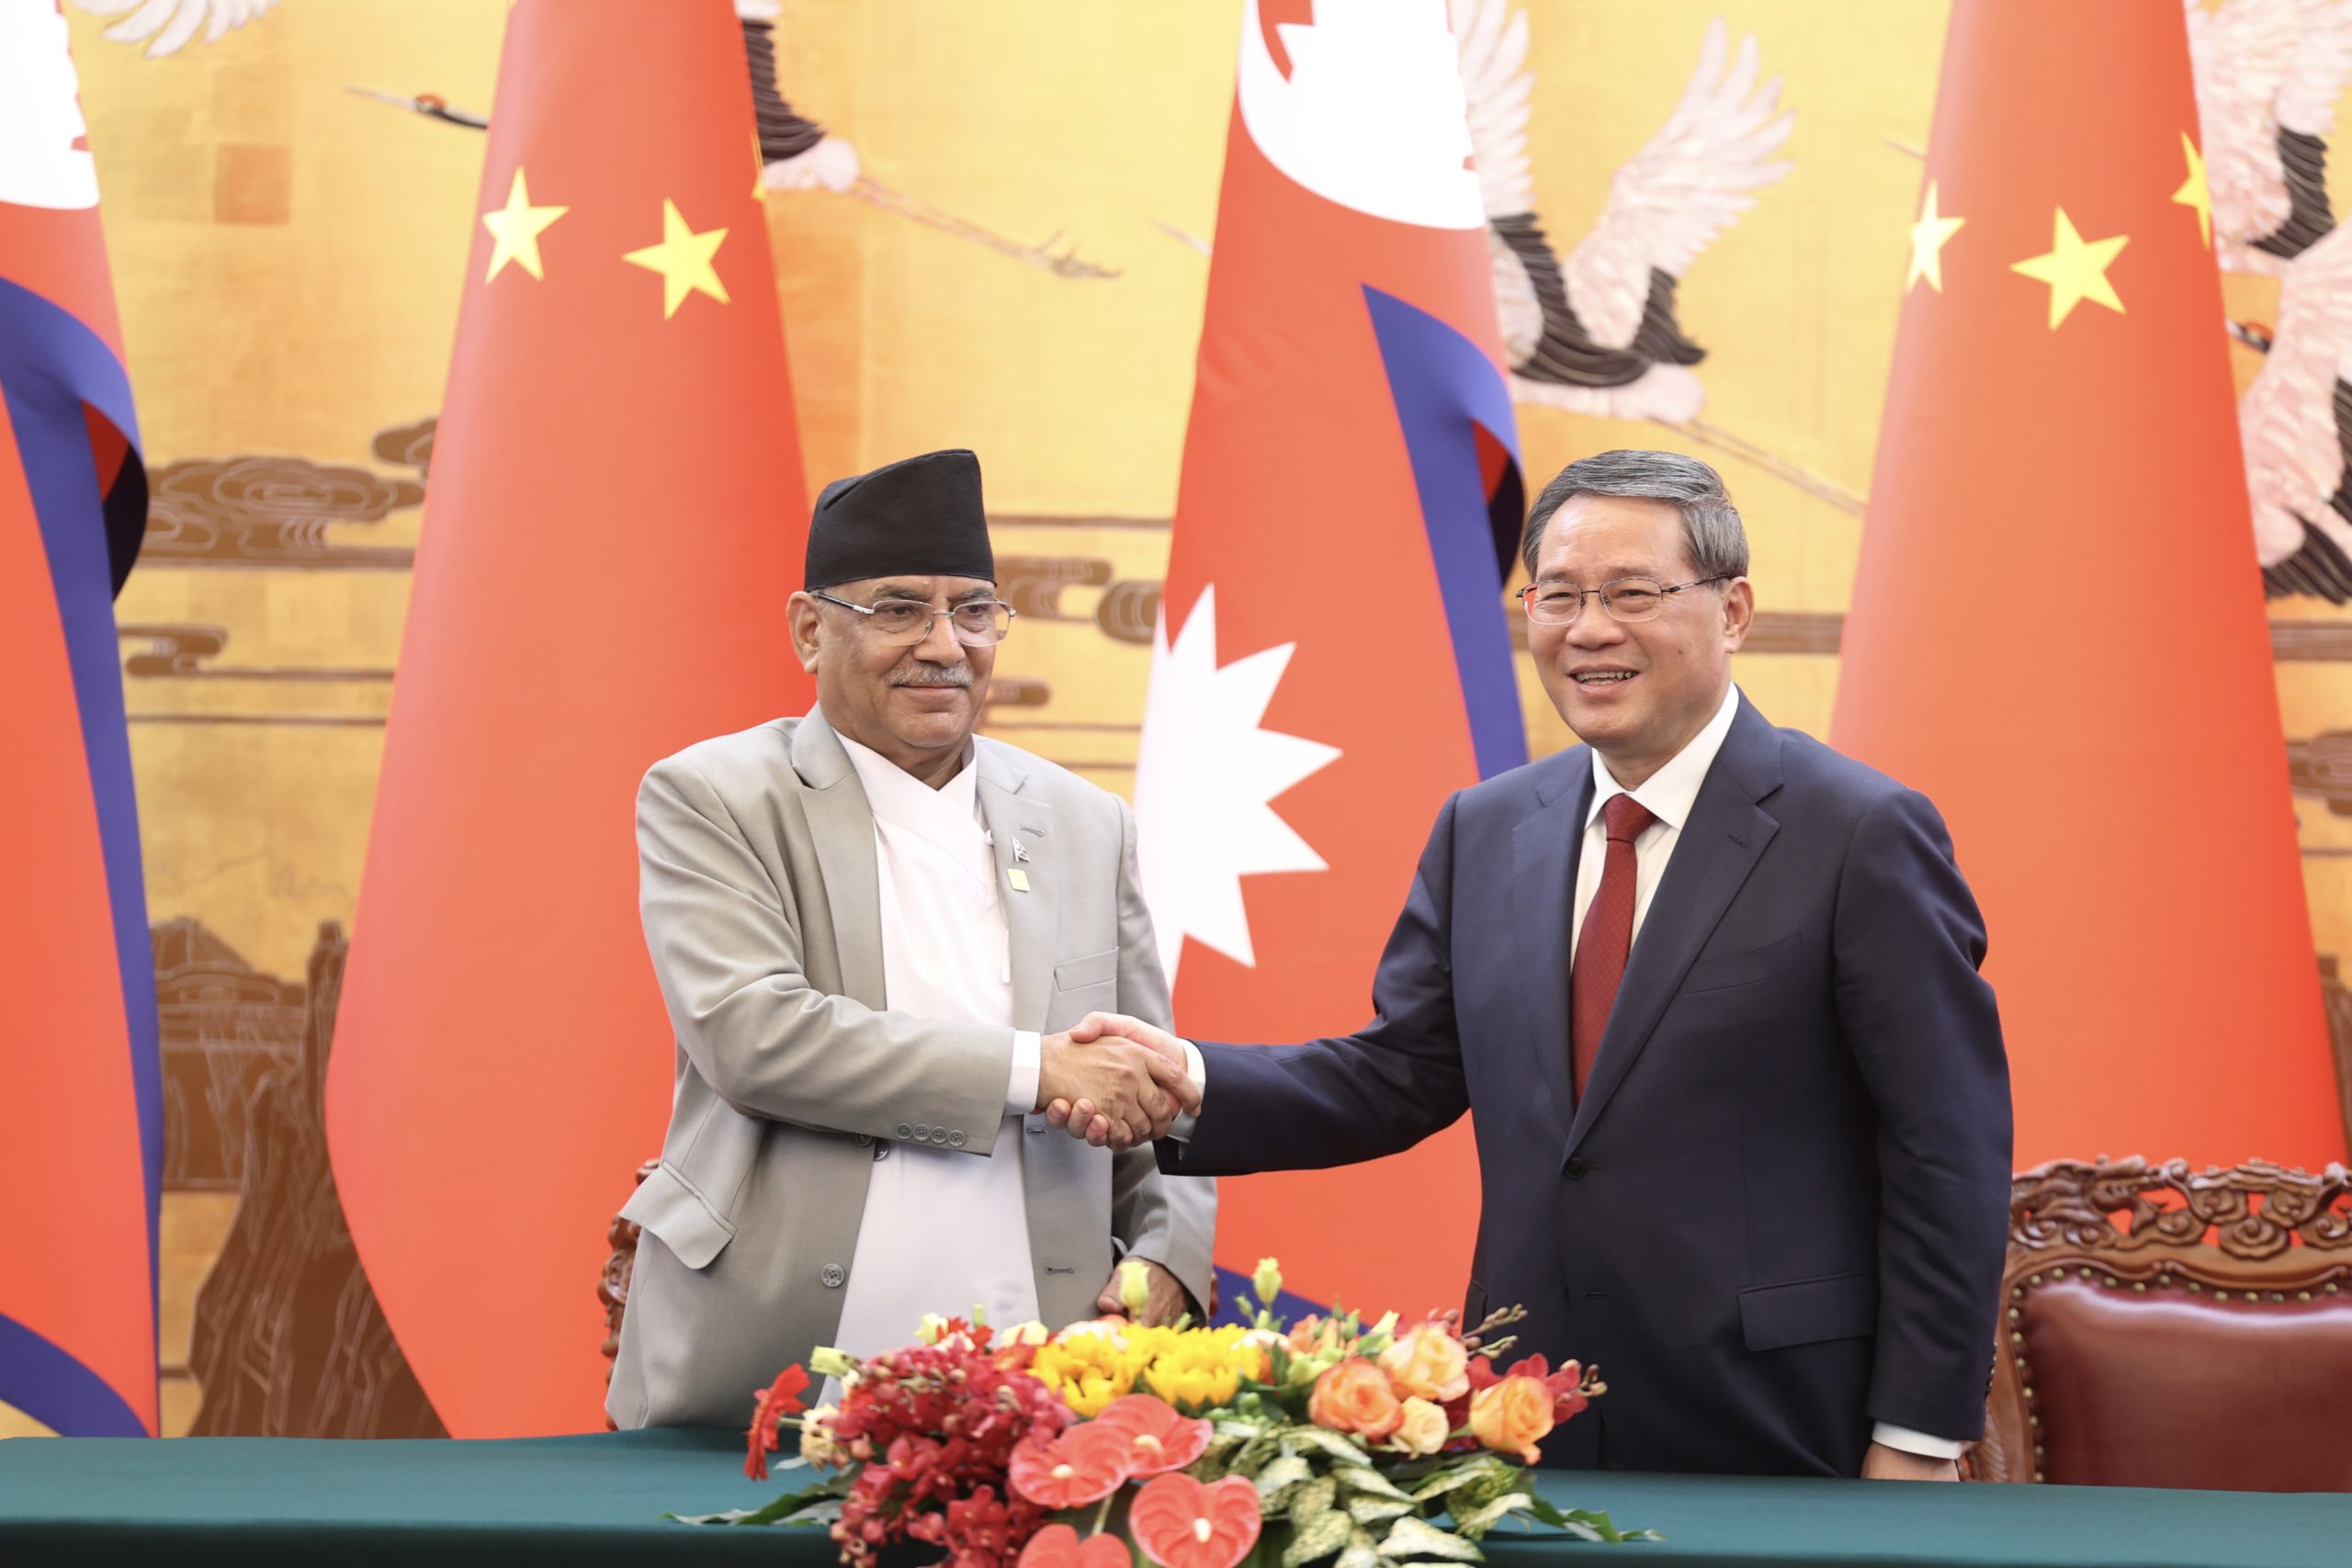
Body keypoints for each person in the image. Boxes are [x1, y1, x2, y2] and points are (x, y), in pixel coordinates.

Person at [1062, 450, 2011, 1478]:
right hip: (1519, 1417)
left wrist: (1917, 1433)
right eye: (1555, 597)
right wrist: (1187, 1080)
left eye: (1631, 593)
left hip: (1783, 1423)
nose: (1587, 629)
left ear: (1731, 610)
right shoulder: (1487, 827)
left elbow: (1945, 1153)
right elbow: (1400, 1075)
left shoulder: (1858, 831)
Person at [608, 448, 1214, 1428]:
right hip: (771, 1370)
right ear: (810, 630)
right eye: (898, 610)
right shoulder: (715, 796)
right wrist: (1035, 1071)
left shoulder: (1083, 820)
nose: (944, 645)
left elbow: (1153, 1081)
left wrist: (1167, 1253)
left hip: (1046, 1374)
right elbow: (756, 1036)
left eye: (974, 611)